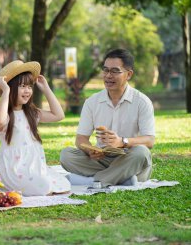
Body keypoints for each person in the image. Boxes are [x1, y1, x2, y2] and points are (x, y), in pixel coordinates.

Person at [60, 48, 155, 187]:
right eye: (105, 70)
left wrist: (122, 141)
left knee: (142, 153)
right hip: (102, 159)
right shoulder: (92, 102)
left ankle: (95, 181)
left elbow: (149, 140)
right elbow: (80, 139)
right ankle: (122, 179)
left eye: (115, 71)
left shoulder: (142, 101)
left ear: (128, 74)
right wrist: (90, 150)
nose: (108, 75)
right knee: (66, 155)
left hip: (129, 157)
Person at [0, 60, 71, 196]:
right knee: (44, 187)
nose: (27, 90)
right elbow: (0, 121)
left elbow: (58, 115)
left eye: (29, 86)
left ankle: (38, 181)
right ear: (11, 88)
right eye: (22, 86)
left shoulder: (31, 113)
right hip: (15, 167)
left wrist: (46, 89)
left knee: (62, 184)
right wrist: (5, 91)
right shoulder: (3, 114)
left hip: (34, 165)